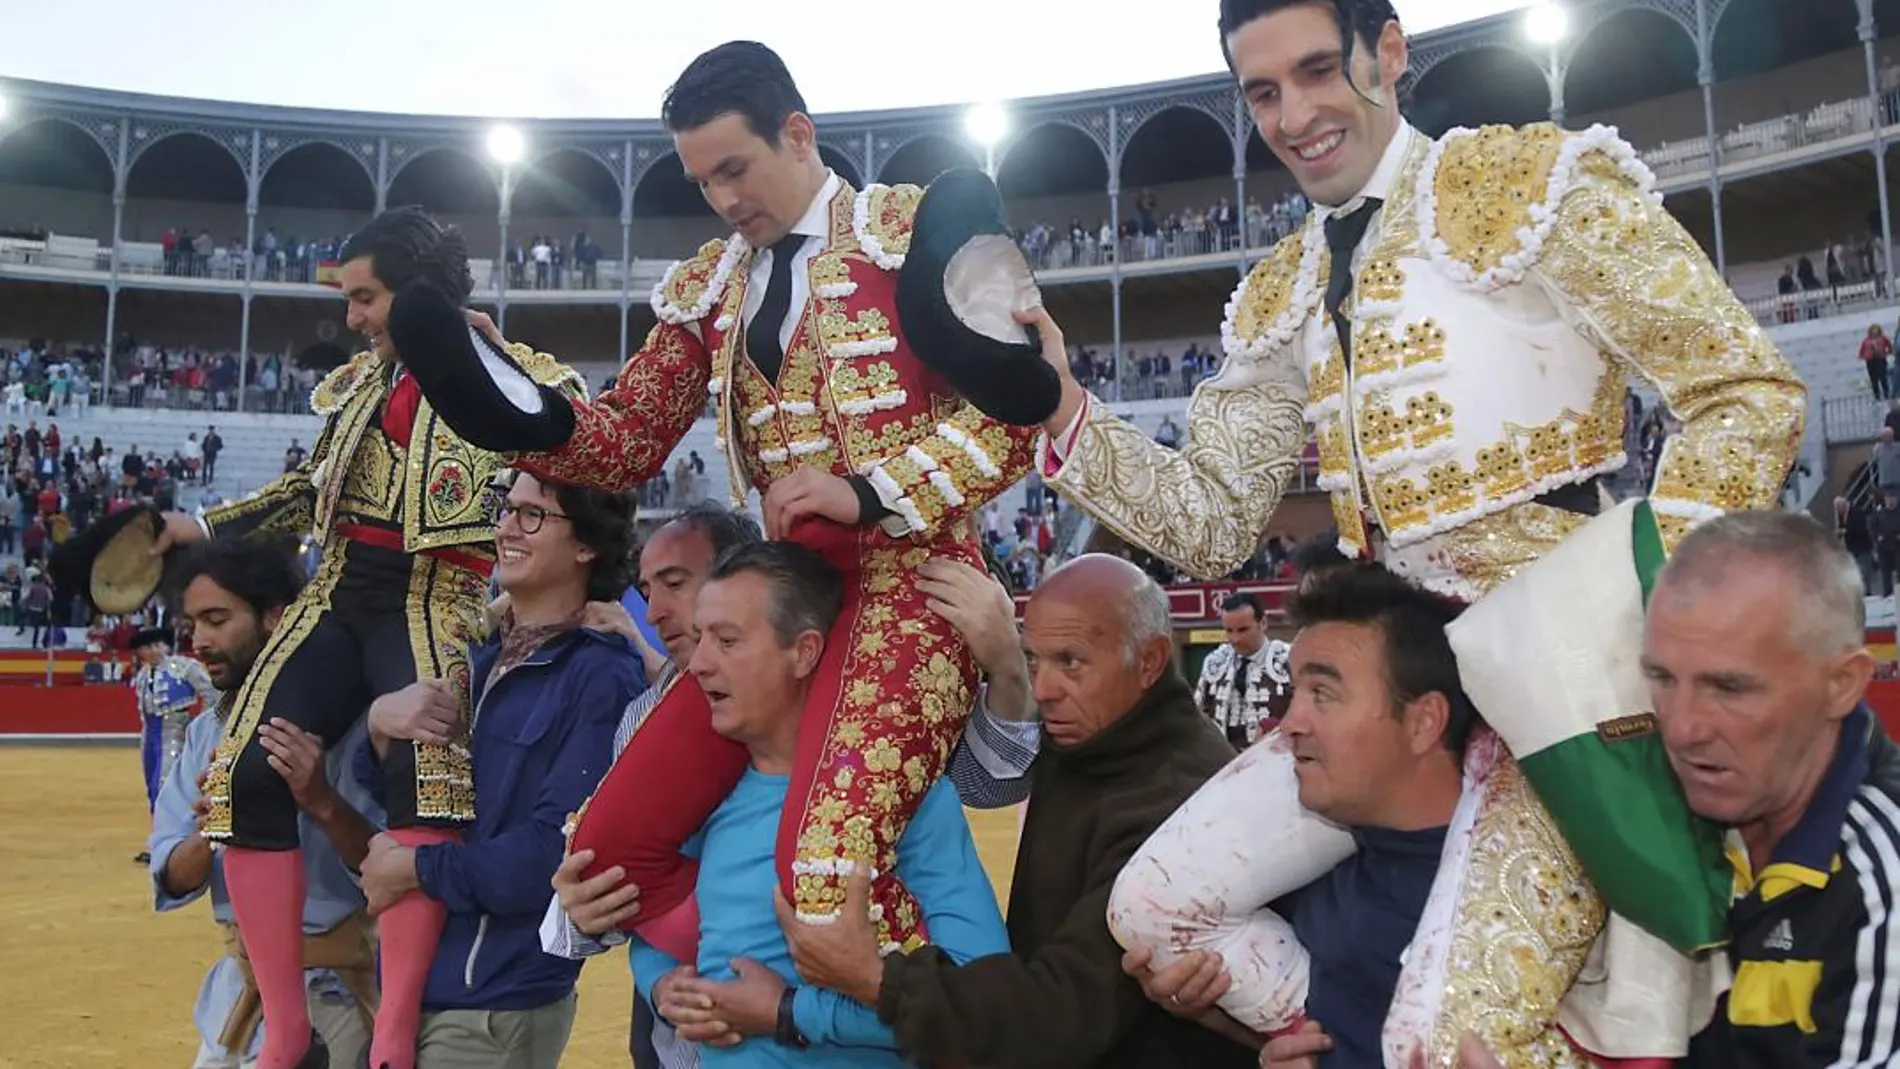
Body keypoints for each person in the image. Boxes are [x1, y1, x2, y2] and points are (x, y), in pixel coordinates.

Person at [1016, 0, 1805, 1057]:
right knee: (1151, 914)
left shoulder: (1532, 186)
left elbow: (1742, 389)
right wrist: (1064, 410)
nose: (1293, 116)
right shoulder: (1283, 286)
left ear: (1387, 53)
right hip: (1387, 675)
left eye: (1314, 73)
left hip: (1563, 669)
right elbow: (1211, 523)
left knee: (1453, 1039)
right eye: (1262, 92)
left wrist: (1650, 619)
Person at [407, 40, 1039, 961]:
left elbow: (1016, 415)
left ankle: (885, 1027)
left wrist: (864, 492)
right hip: (775, 599)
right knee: (602, 851)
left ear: (797, 133)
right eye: (704, 183)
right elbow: (623, 440)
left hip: (917, 594)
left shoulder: (916, 230)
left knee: (827, 865)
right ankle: (740, 990)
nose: (724, 200)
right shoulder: (713, 284)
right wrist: (508, 391)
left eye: (735, 170)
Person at [145, 207, 587, 1069]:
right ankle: (285, 1026)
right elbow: (308, 491)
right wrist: (195, 522)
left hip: (436, 595)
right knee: (243, 771)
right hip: (340, 592)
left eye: (366, 297)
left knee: (425, 771)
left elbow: (584, 450)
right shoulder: (355, 388)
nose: (351, 317)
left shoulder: (519, 377)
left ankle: (394, 1024)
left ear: (416, 294)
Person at [544, 505, 1039, 1068]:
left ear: (803, 652)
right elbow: (656, 934)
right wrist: (662, 984)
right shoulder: (698, 800)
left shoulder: (902, 797)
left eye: (727, 641)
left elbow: (984, 999)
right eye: (702, 638)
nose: (699, 664)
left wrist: (789, 1011)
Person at [775, 555, 1255, 1069]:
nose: (1044, 689)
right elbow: (986, 780)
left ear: (1151, 661)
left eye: (1070, 661)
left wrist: (874, 979)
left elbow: (1066, 1011)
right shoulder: (1094, 733)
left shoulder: (1177, 798)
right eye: (1034, 660)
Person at [354, 471, 641, 1069]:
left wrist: (413, 867)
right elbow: (397, 796)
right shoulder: (475, 652)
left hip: (494, 1005)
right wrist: (379, 726)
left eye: (533, 515)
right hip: (410, 988)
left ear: (587, 544)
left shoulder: (601, 674)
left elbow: (551, 858)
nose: (507, 526)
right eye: (506, 509)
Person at [1640, 512, 1900, 1068]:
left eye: (1728, 687)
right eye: (1662, 678)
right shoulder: (1649, 817)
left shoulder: (1886, 889)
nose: (1682, 729)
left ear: (1842, 686)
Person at [149, 538, 382, 1069]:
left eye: (216, 620)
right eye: (192, 625)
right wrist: (216, 826)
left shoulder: (355, 728)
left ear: (278, 619)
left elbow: (392, 867)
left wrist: (320, 800)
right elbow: (170, 877)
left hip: (338, 1002)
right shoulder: (210, 731)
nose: (200, 641)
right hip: (234, 1002)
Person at [131, 624, 217, 827]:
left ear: (166, 646)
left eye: (157, 645)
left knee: (168, 786)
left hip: (174, 733)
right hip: (149, 737)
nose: (153, 650)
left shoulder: (184, 666)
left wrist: (199, 726)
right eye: (147, 647)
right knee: (152, 787)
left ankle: (178, 839)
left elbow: (212, 692)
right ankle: (160, 838)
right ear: (140, 652)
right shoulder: (143, 674)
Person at [1195, 592, 1291, 747]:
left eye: (1243, 630)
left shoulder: (1288, 660)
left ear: (1263, 623)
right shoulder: (1215, 661)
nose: (1235, 639)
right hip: (1225, 761)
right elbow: (1198, 716)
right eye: (1229, 631)